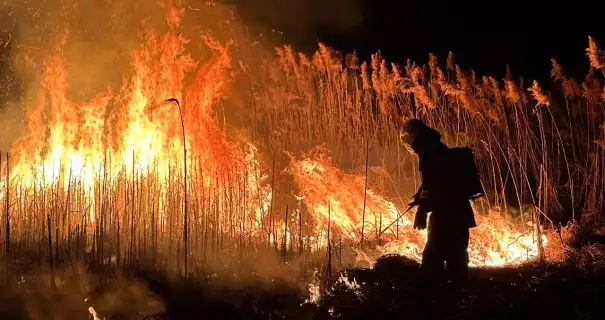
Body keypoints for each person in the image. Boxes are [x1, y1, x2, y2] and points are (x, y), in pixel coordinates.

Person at [402, 119, 476, 285]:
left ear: (414, 135)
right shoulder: (436, 148)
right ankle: (458, 295)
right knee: (455, 256)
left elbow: (432, 184)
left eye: (406, 135)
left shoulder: (428, 151)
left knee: (434, 258)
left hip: (447, 213)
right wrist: (419, 195)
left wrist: (421, 212)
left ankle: (437, 298)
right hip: (457, 211)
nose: (405, 140)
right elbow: (435, 179)